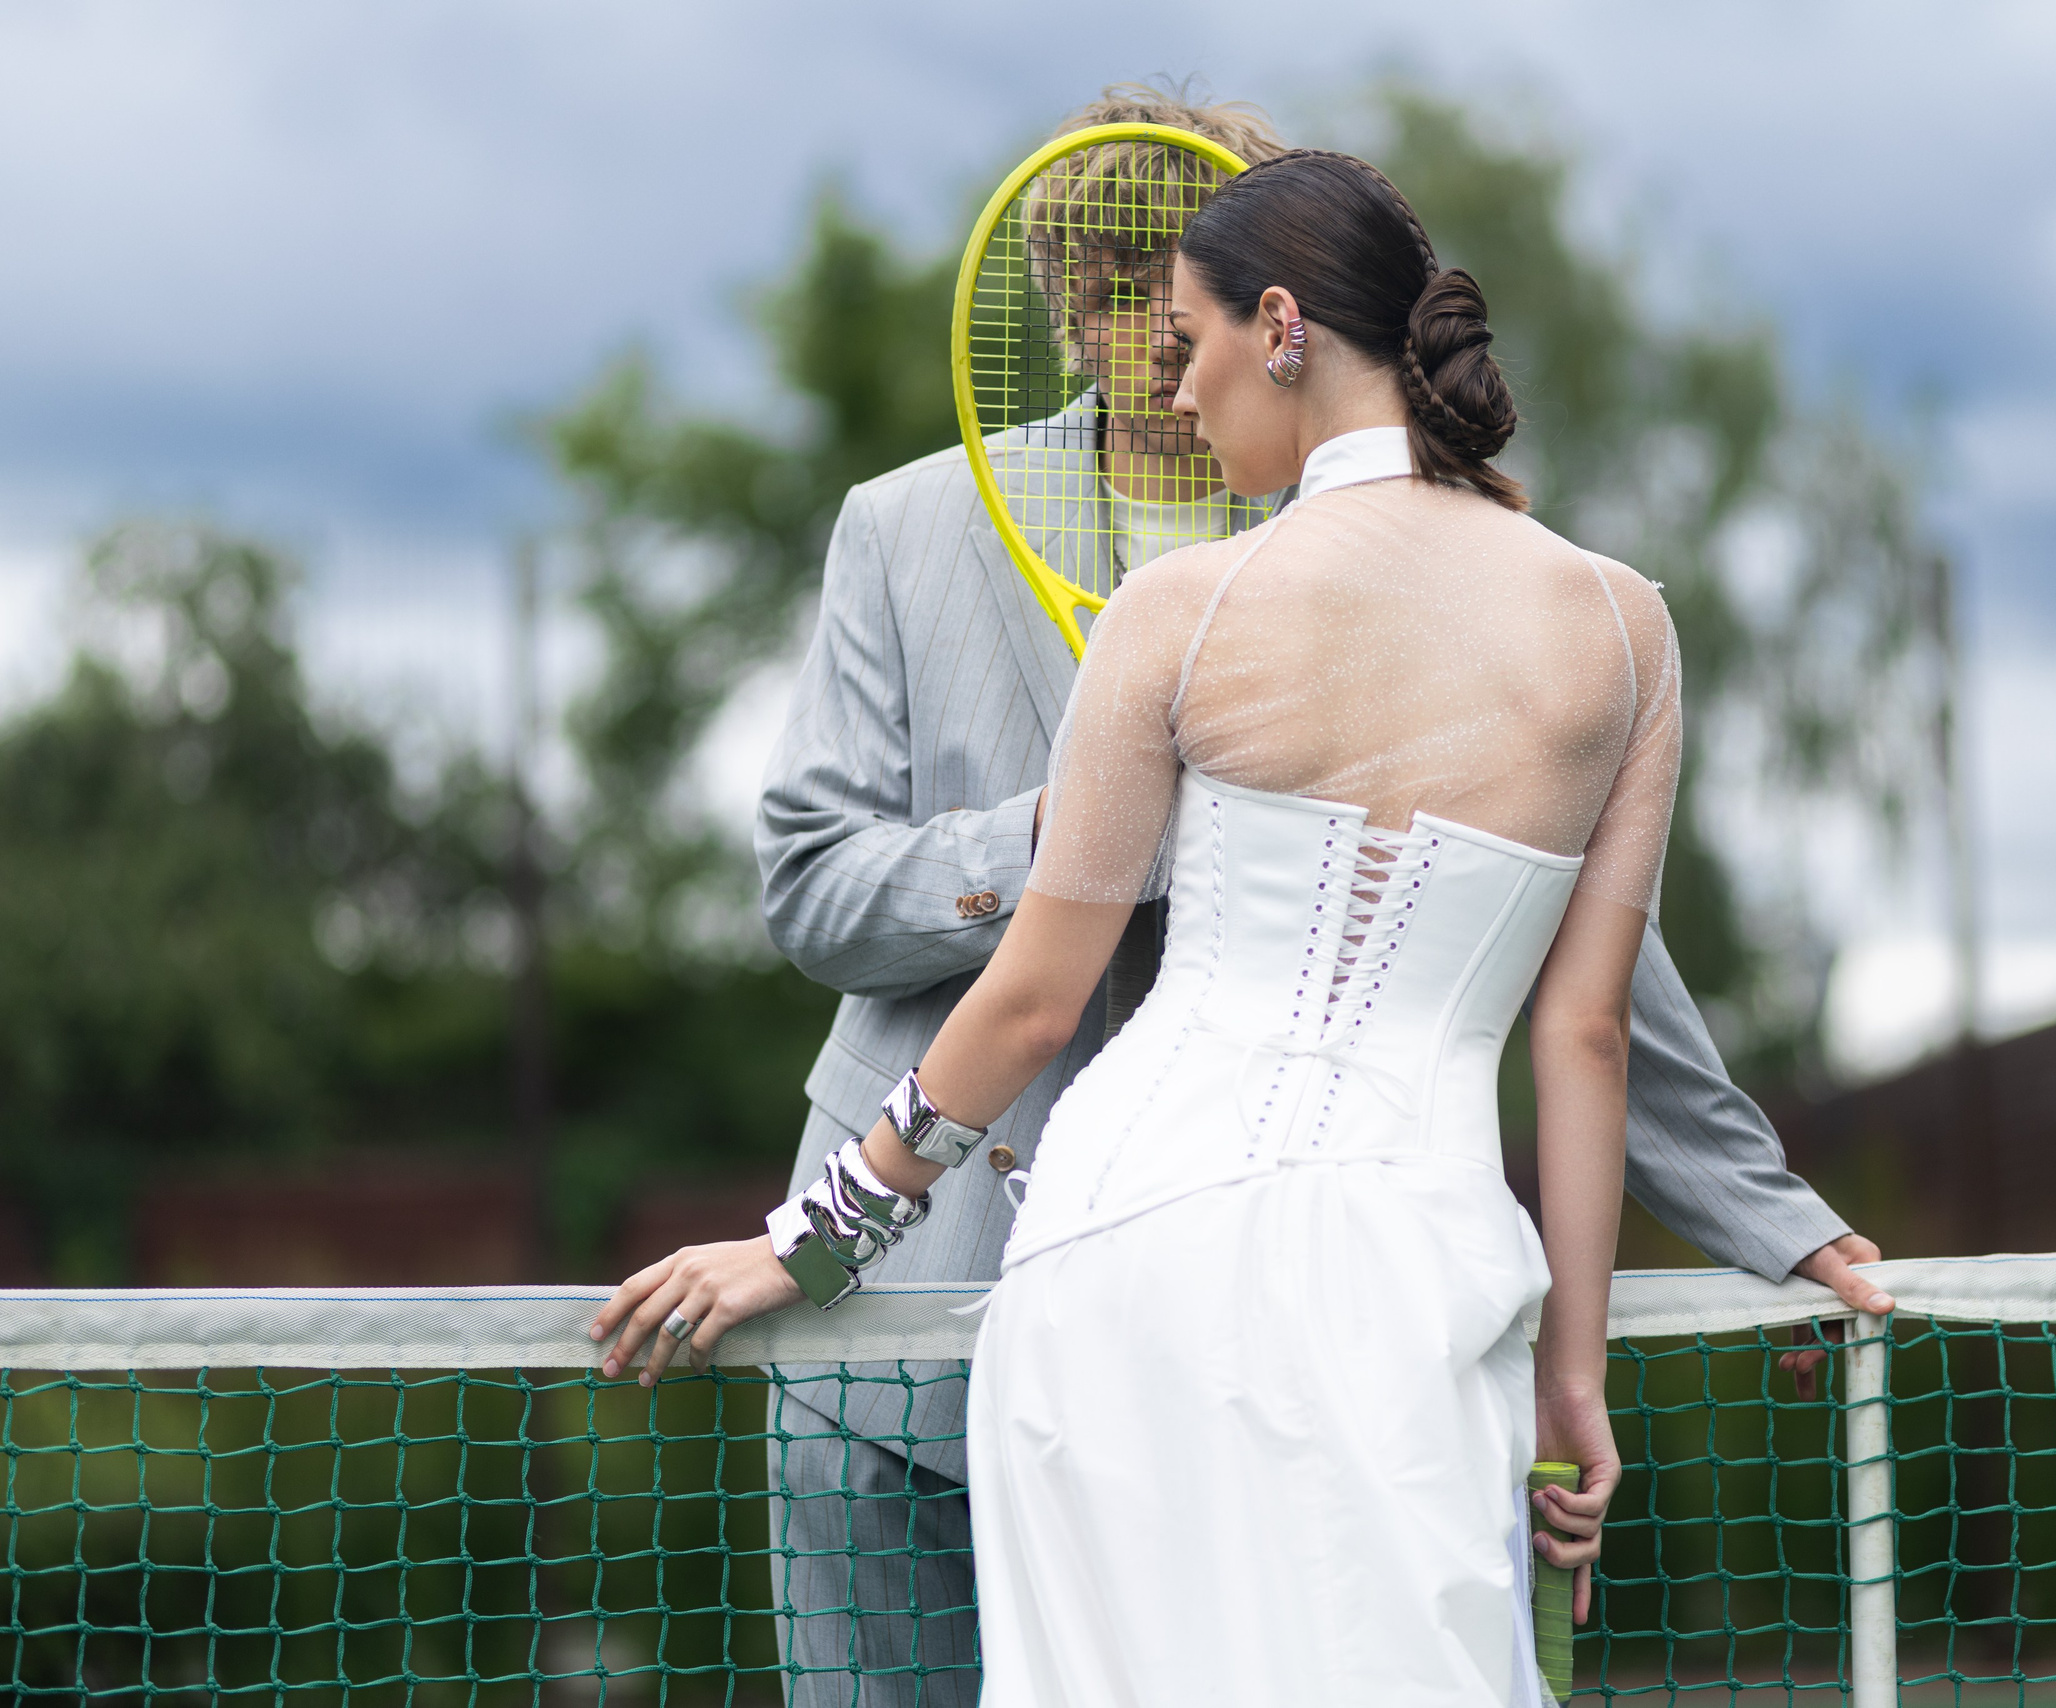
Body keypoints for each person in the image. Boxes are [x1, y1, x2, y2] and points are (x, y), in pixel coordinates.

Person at [592, 95, 1891, 1708]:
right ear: (1072, 300)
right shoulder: (908, 527)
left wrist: (1764, 1211)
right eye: (1121, 286)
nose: (1156, 336)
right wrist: (1077, 838)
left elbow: (1579, 963)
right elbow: (810, 887)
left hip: (1210, 1280)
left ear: (1275, 320)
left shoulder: (1398, 569)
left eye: (1179, 290)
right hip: (914, 1313)